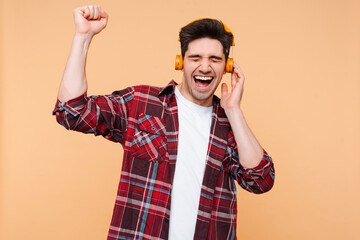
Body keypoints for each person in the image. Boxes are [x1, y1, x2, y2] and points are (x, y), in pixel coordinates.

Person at [53, 5, 275, 240]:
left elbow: (260, 180)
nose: (205, 66)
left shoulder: (228, 124)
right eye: (195, 57)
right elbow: (71, 112)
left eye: (215, 59)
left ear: (227, 67)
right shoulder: (141, 104)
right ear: (181, 61)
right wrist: (83, 37)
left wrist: (234, 111)